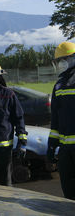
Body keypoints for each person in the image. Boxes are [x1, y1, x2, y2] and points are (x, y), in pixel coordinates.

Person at [47, 41, 75, 200]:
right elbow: (55, 121)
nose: (60, 63)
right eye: (59, 61)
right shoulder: (59, 85)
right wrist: (51, 147)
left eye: (63, 59)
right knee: (68, 191)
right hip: (65, 151)